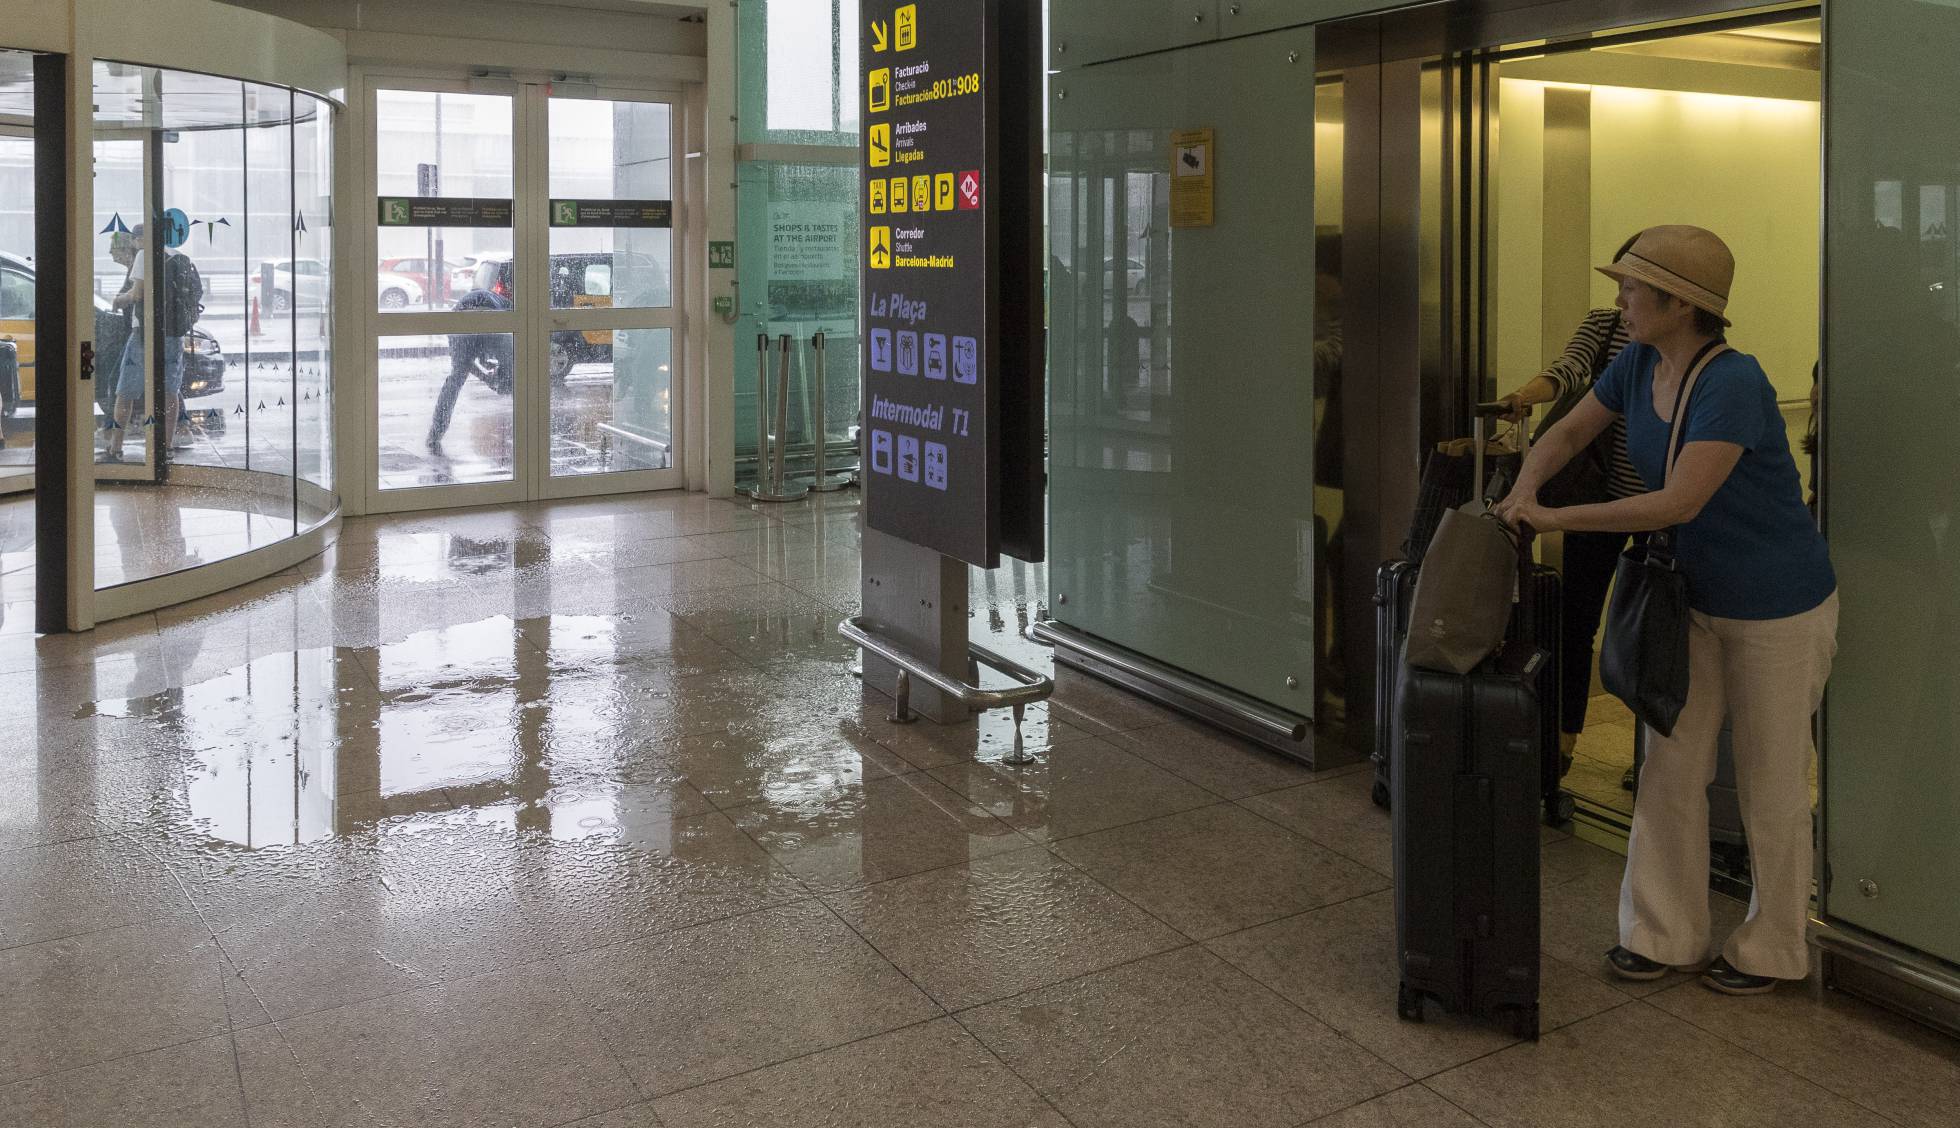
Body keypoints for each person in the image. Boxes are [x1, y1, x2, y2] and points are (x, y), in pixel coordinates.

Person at [1494, 225, 1837, 996]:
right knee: (1668, 763)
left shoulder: (1733, 383)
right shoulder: (1638, 360)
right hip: (1691, 598)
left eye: (1632, 287)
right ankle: (1662, 932)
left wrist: (1554, 520)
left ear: (1680, 303)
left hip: (1775, 607)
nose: (1620, 299)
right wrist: (1526, 487)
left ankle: (1773, 946)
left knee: (1770, 777)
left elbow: (1680, 499)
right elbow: (1573, 426)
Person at [1497, 233, 1643, 787]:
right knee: (1579, 622)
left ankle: (1650, 751)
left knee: (1655, 630)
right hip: (1598, 501)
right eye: (1622, 284)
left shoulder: (1690, 350)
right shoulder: (1604, 327)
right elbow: (1569, 370)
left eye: (1633, 284)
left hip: (1662, 507)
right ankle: (1561, 749)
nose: (1624, 296)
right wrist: (1525, 395)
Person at [105, 224, 186, 462]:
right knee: (170, 392)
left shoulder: (144, 254)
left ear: (140, 239)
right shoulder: (177, 256)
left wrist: (119, 299)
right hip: (173, 333)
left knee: (125, 390)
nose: (134, 245)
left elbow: (137, 294)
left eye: (135, 240)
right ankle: (166, 446)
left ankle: (116, 446)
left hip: (145, 334)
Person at [428, 287, 516, 451]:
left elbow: (466, 363)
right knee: (513, 366)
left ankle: (435, 433)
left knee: (456, 378)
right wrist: (492, 378)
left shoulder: (490, 302)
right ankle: (528, 429)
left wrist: (486, 376)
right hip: (490, 314)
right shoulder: (507, 307)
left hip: (460, 317)